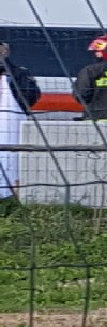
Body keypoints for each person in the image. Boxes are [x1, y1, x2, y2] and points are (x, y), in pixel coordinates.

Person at [0, 41, 41, 207]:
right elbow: (31, 97)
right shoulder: (18, 73)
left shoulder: (17, 74)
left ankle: (9, 200)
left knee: (11, 162)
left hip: (10, 126)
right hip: (10, 124)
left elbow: (30, 97)